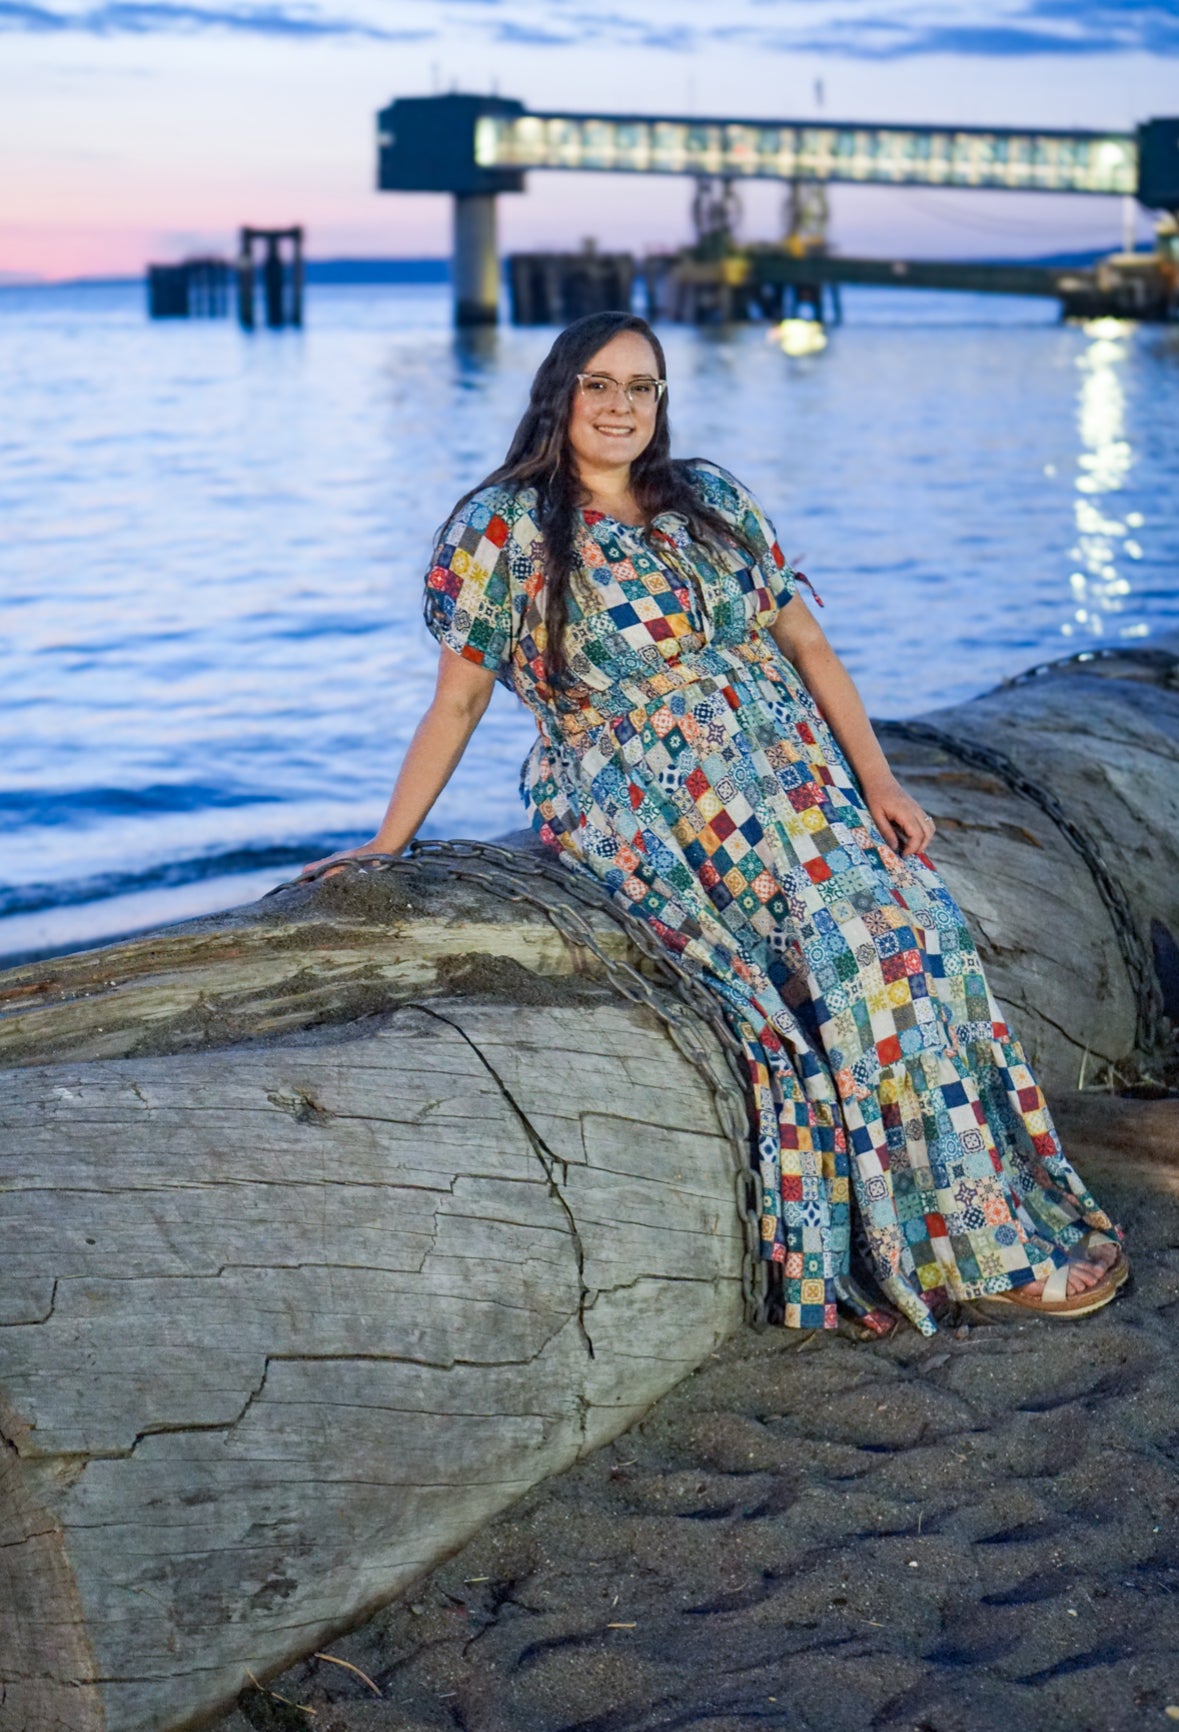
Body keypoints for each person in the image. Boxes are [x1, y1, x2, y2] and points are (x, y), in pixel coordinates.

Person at [306, 311, 1126, 1335]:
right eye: (599, 383)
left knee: (923, 935)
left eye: (641, 387)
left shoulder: (710, 499)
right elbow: (459, 702)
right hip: (651, 801)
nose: (620, 406)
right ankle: (975, 1250)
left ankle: (983, 1214)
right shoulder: (500, 530)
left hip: (796, 780)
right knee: (854, 962)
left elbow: (807, 645)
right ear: (558, 392)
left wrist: (879, 782)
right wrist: (388, 843)